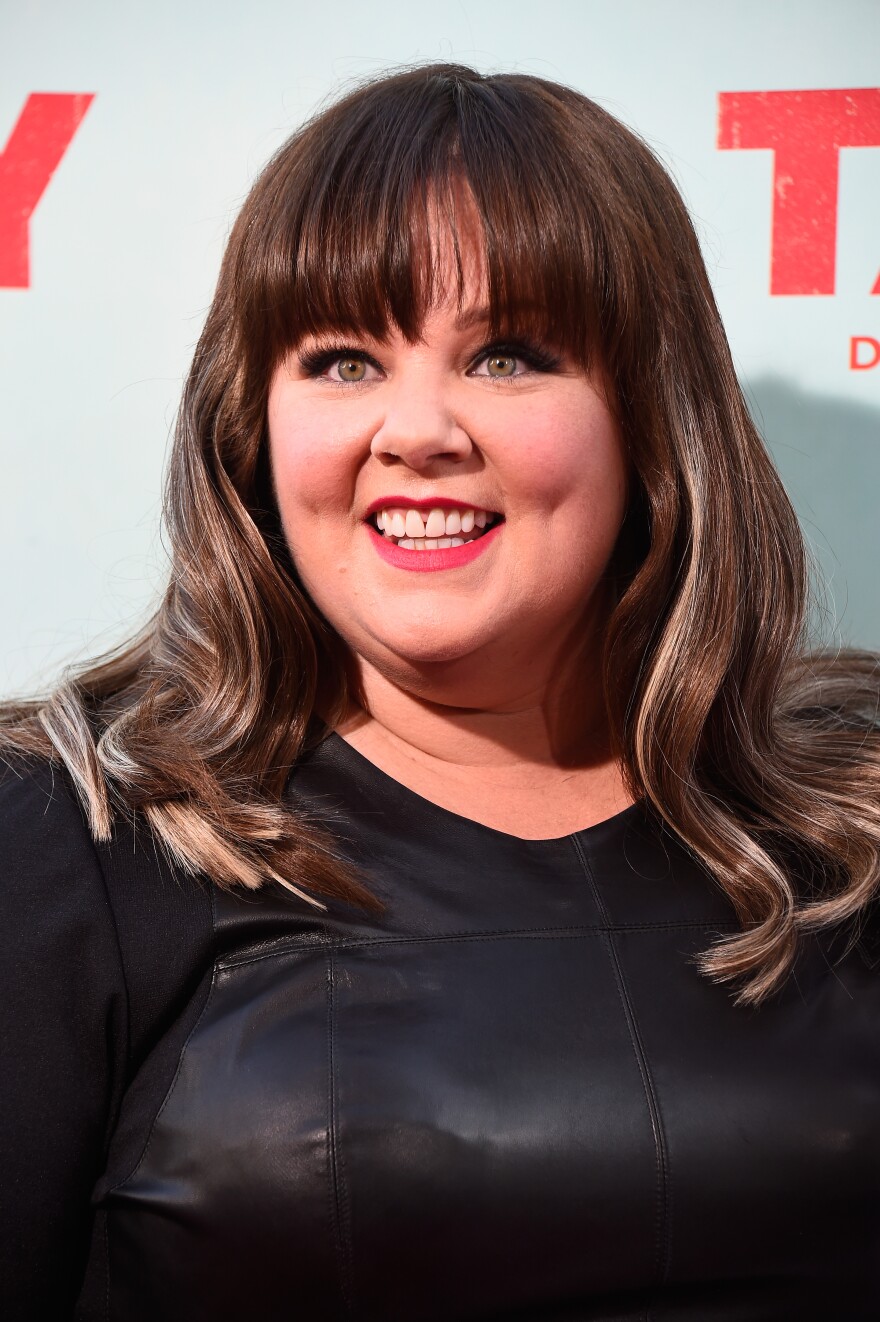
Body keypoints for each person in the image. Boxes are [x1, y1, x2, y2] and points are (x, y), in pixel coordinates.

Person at [1, 63, 878, 1322]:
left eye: (507, 356)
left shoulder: (851, 838)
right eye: (343, 360)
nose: (416, 428)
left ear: (649, 413)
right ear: (251, 426)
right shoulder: (70, 834)